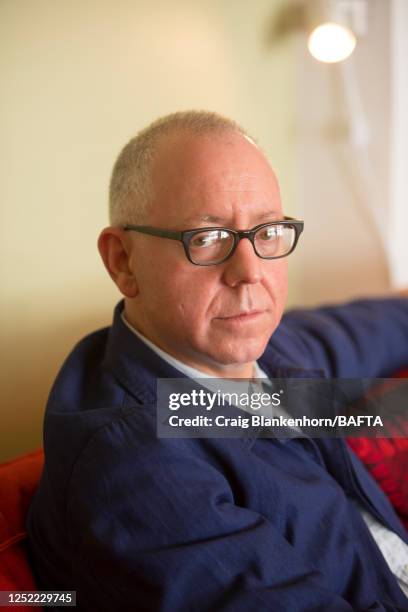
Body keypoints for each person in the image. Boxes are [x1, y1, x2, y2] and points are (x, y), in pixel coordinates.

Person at [27, 111, 408, 611]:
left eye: (268, 230)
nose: (249, 272)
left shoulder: (264, 350)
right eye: (207, 239)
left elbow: (373, 327)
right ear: (123, 261)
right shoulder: (140, 471)